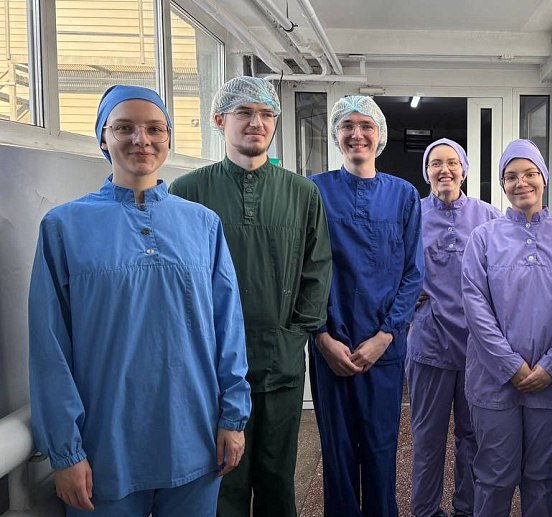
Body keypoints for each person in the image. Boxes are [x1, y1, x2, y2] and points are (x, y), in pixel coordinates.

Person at [29, 85, 250, 516]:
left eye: (154, 129)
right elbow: (48, 347)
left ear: (168, 137)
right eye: (124, 128)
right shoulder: (64, 227)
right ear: (102, 137)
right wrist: (65, 452)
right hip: (105, 449)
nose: (141, 140)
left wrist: (233, 417)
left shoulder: (203, 225)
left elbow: (228, 328)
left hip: (194, 437)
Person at [169, 76, 332, 517]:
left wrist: (295, 332)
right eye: (244, 112)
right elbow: (174, 283)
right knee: (224, 477)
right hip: (211, 365)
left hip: (280, 359)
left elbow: (317, 269)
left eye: (265, 114)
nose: (256, 123)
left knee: (278, 476)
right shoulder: (187, 193)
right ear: (219, 120)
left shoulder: (302, 193)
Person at [310, 95, 423, 516]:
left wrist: (386, 335)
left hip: (383, 348)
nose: (357, 134)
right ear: (336, 134)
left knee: (380, 448)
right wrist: (321, 336)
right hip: (331, 345)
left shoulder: (404, 196)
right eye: (348, 125)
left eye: (366, 126)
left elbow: (413, 273)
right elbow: (304, 270)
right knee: (336, 451)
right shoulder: (314, 191)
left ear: (380, 135)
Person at [462, 139, 552, 517]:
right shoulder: (483, 238)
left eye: (530, 173)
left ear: (544, 178)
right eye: (511, 176)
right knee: (494, 476)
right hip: (493, 381)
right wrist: (510, 365)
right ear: (502, 184)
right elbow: (475, 306)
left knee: (543, 476)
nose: (522, 182)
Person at [407, 138, 501, 517]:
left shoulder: (489, 216)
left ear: (464, 170)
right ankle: (425, 510)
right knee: (427, 439)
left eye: (452, 162)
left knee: (473, 438)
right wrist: (406, 297)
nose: (444, 170)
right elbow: (391, 264)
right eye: (436, 163)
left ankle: (467, 509)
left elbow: (503, 274)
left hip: (477, 349)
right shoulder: (412, 214)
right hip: (429, 346)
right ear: (426, 172)